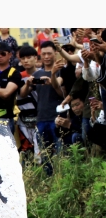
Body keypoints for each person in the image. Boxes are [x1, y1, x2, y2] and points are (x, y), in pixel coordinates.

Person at [31, 41, 67, 173]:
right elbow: (23, 93)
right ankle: (48, 178)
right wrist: (28, 83)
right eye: (44, 54)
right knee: (45, 154)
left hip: (57, 118)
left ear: (55, 54)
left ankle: (61, 176)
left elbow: (61, 93)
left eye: (49, 54)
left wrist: (52, 76)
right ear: (40, 55)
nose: (46, 56)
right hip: (41, 118)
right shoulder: (36, 74)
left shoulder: (61, 72)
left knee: (60, 151)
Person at [17, 45, 41, 157]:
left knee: (41, 150)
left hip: (41, 116)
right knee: (26, 151)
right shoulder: (17, 77)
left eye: (29, 57)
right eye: (23, 58)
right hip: (24, 118)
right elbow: (21, 94)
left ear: (35, 58)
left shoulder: (43, 74)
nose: (26, 60)